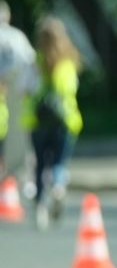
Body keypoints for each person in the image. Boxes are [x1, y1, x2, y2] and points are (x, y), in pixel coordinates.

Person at [24, 17, 83, 229]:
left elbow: (26, 89)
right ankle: (58, 187)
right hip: (64, 120)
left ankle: (40, 208)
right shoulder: (69, 62)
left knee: (40, 165)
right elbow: (72, 89)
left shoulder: (35, 62)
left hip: (38, 120)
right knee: (59, 162)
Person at [0, 0, 36, 179]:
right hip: (17, 92)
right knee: (18, 132)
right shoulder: (17, 36)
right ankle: (15, 172)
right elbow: (30, 62)